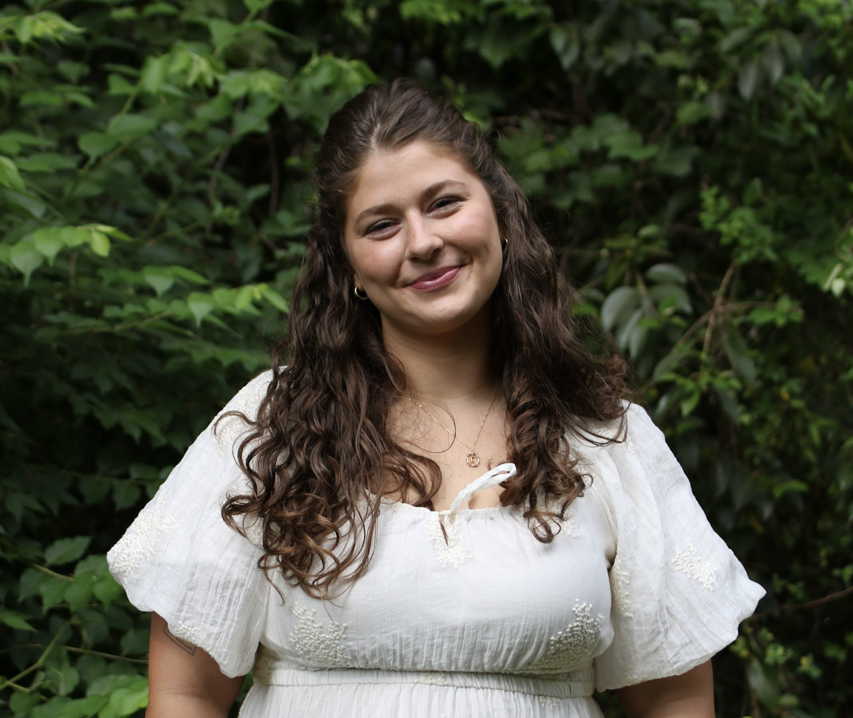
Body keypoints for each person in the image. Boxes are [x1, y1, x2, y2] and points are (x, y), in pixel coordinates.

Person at [108, 78, 765, 718]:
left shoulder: (604, 437)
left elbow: (674, 701)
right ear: (347, 265)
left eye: (444, 202)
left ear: (500, 212)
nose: (422, 243)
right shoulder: (270, 427)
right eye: (381, 224)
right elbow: (186, 697)